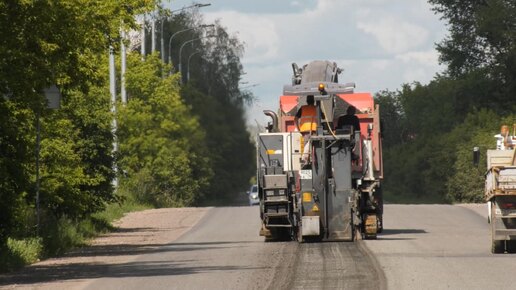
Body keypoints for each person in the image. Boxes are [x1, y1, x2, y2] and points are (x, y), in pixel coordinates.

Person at [294, 95, 317, 163]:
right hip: (314, 130)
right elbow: (323, 116)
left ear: (307, 101)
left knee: (306, 145)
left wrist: (298, 129)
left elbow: (295, 119)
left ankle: (306, 160)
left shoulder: (303, 108)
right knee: (315, 145)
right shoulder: (316, 108)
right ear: (314, 101)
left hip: (304, 131)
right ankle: (314, 159)